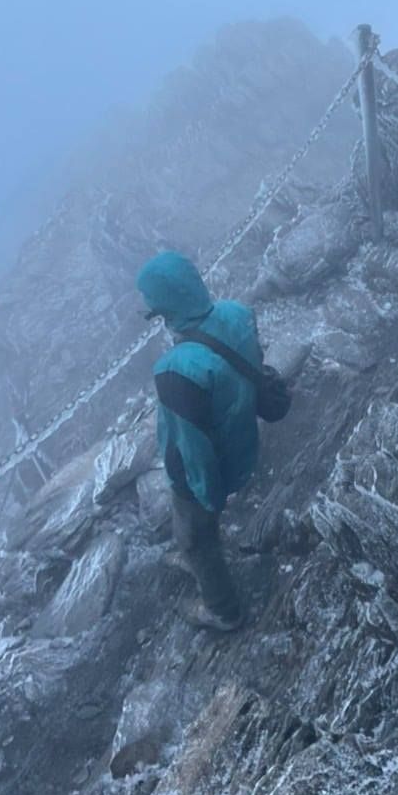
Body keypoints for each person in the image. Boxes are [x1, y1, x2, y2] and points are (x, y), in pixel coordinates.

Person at [136, 249, 264, 631]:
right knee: (196, 534)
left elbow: (193, 448)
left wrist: (208, 499)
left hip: (204, 471)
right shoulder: (237, 313)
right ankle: (201, 553)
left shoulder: (175, 371)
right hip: (242, 437)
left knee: (193, 537)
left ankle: (223, 610)